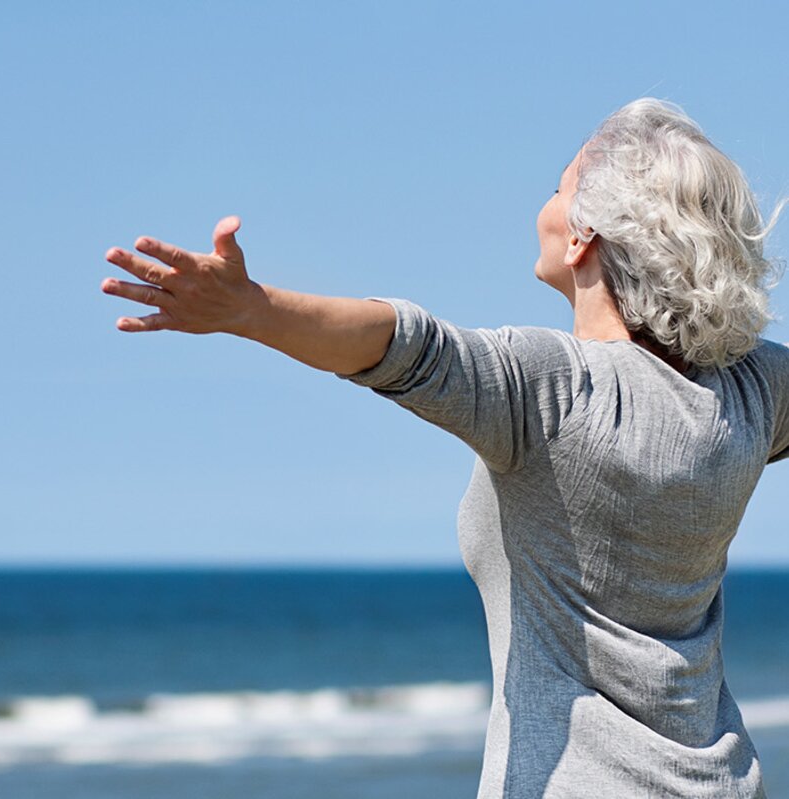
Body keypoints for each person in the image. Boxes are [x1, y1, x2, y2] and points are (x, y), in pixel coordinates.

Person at [100, 97, 789, 797]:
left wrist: (252, 310)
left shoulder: (553, 390)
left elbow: (408, 346)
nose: (545, 205)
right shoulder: (751, 391)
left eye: (559, 189)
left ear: (585, 235)